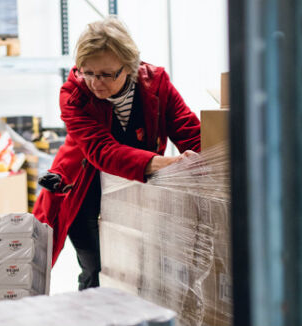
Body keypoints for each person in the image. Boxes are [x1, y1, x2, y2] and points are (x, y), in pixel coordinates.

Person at [33, 17, 201, 290]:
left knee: (140, 268)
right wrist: (167, 163)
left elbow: (188, 130)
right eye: (88, 72)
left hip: (137, 190)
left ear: (130, 67)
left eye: (107, 74)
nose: (96, 83)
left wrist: (208, 163)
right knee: (97, 270)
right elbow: (103, 151)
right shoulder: (73, 95)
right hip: (85, 190)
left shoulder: (156, 84)